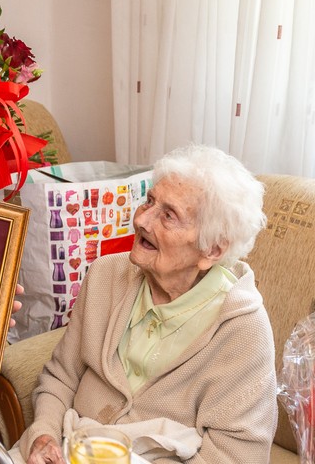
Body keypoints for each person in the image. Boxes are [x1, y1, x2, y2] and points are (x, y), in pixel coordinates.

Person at [16, 144, 277, 463]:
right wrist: (44, 437)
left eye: (169, 216)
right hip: (70, 448)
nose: (142, 220)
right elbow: (61, 377)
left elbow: (238, 456)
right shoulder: (104, 275)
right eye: (150, 201)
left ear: (211, 250)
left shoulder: (242, 331)